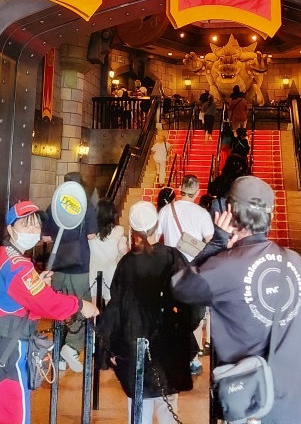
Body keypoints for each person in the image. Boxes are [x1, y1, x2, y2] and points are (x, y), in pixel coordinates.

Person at [172, 177, 301, 424]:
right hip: (299, 407)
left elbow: (180, 286)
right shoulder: (296, 263)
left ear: (230, 212)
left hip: (253, 407)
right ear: (270, 217)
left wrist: (217, 243)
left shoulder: (226, 266)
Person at [0, 201, 100, 424]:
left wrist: (36, 282)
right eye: (26, 225)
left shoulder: (7, 257)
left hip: (3, 345)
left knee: (7, 416)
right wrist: (80, 305)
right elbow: (48, 304)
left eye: (36, 226)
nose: (33, 231)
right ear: (10, 229)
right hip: (8, 350)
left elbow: (20, 298)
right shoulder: (18, 265)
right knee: (15, 419)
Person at [98, 201, 201, 424]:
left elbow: (116, 308)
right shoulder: (173, 258)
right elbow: (193, 300)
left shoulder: (126, 264)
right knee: (168, 410)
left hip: (134, 348)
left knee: (139, 411)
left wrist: (112, 348)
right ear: (158, 226)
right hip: (168, 347)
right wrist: (185, 330)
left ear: (133, 231)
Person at [41, 172, 98, 373]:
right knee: (82, 306)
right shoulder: (87, 206)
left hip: (57, 264)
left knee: (60, 307)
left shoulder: (54, 205)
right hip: (80, 265)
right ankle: (72, 347)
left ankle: (59, 355)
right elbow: (91, 235)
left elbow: (46, 238)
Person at [158, 174, 215, 375]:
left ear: (180, 189)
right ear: (198, 192)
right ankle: (194, 356)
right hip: (193, 271)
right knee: (193, 315)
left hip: (169, 269)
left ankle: (176, 354)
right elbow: (210, 241)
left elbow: (155, 238)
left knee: (171, 312)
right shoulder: (201, 214)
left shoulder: (166, 210)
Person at [88, 198, 128, 303]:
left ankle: (94, 320)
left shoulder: (91, 232)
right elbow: (123, 250)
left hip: (92, 271)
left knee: (93, 303)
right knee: (109, 303)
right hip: (111, 272)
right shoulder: (119, 230)